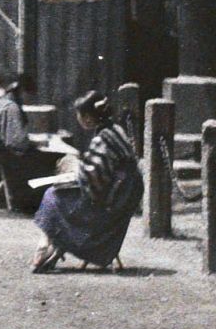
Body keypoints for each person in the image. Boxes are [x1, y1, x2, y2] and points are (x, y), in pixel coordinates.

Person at [31, 90, 143, 273]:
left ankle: (46, 244)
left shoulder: (102, 139)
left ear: (89, 118)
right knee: (59, 191)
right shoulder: (116, 130)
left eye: (79, 114)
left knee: (52, 195)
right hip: (125, 192)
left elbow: (92, 179)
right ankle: (54, 246)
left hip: (113, 198)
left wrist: (76, 169)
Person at [0, 74, 59, 213]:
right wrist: (36, 143)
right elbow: (17, 143)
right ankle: (38, 203)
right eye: (28, 95)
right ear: (22, 92)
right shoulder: (12, 108)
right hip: (7, 154)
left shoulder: (3, 101)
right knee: (48, 160)